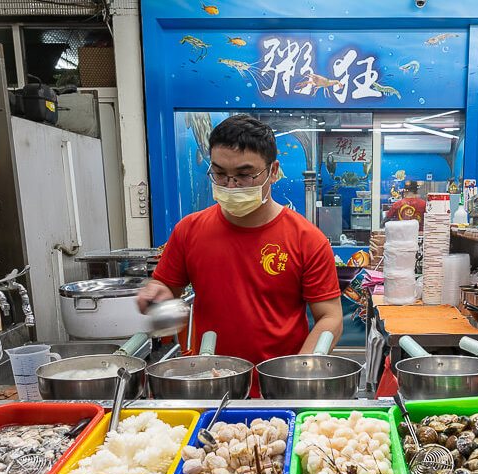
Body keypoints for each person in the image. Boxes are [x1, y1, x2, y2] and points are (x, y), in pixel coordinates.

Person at [137, 114, 344, 375]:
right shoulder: (188, 231)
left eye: (245, 174)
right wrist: (156, 294)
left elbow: (330, 316)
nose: (231, 185)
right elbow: (166, 286)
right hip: (209, 379)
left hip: (279, 383)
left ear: (273, 171)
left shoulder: (307, 239)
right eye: (220, 174)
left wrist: (300, 369)